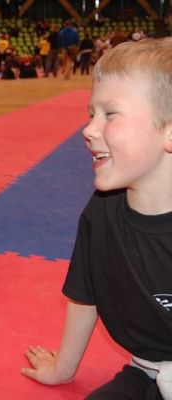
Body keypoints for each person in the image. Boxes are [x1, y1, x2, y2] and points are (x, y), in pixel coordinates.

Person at [21, 37, 172, 400]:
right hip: (147, 370)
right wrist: (62, 370)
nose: (88, 130)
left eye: (110, 114)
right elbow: (85, 293)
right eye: (92, 114)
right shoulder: (101, 212)